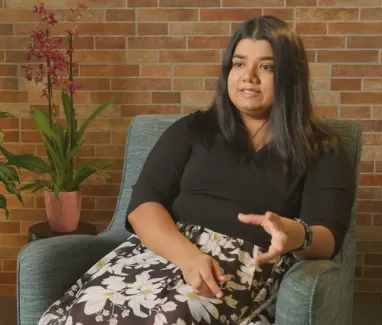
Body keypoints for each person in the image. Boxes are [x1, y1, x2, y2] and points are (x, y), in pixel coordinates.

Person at [39, 15, 355, 325]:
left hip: (236, 269)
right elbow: (143, 205)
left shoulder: (322, 147)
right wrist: (188, 257)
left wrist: (294, 234)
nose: (249, 76)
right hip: (162, 253)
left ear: (291, 75)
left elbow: (328, 238)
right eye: (239, 63)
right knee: (89, 312)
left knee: (173, 317)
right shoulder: (192, 129)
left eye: (267, 66)